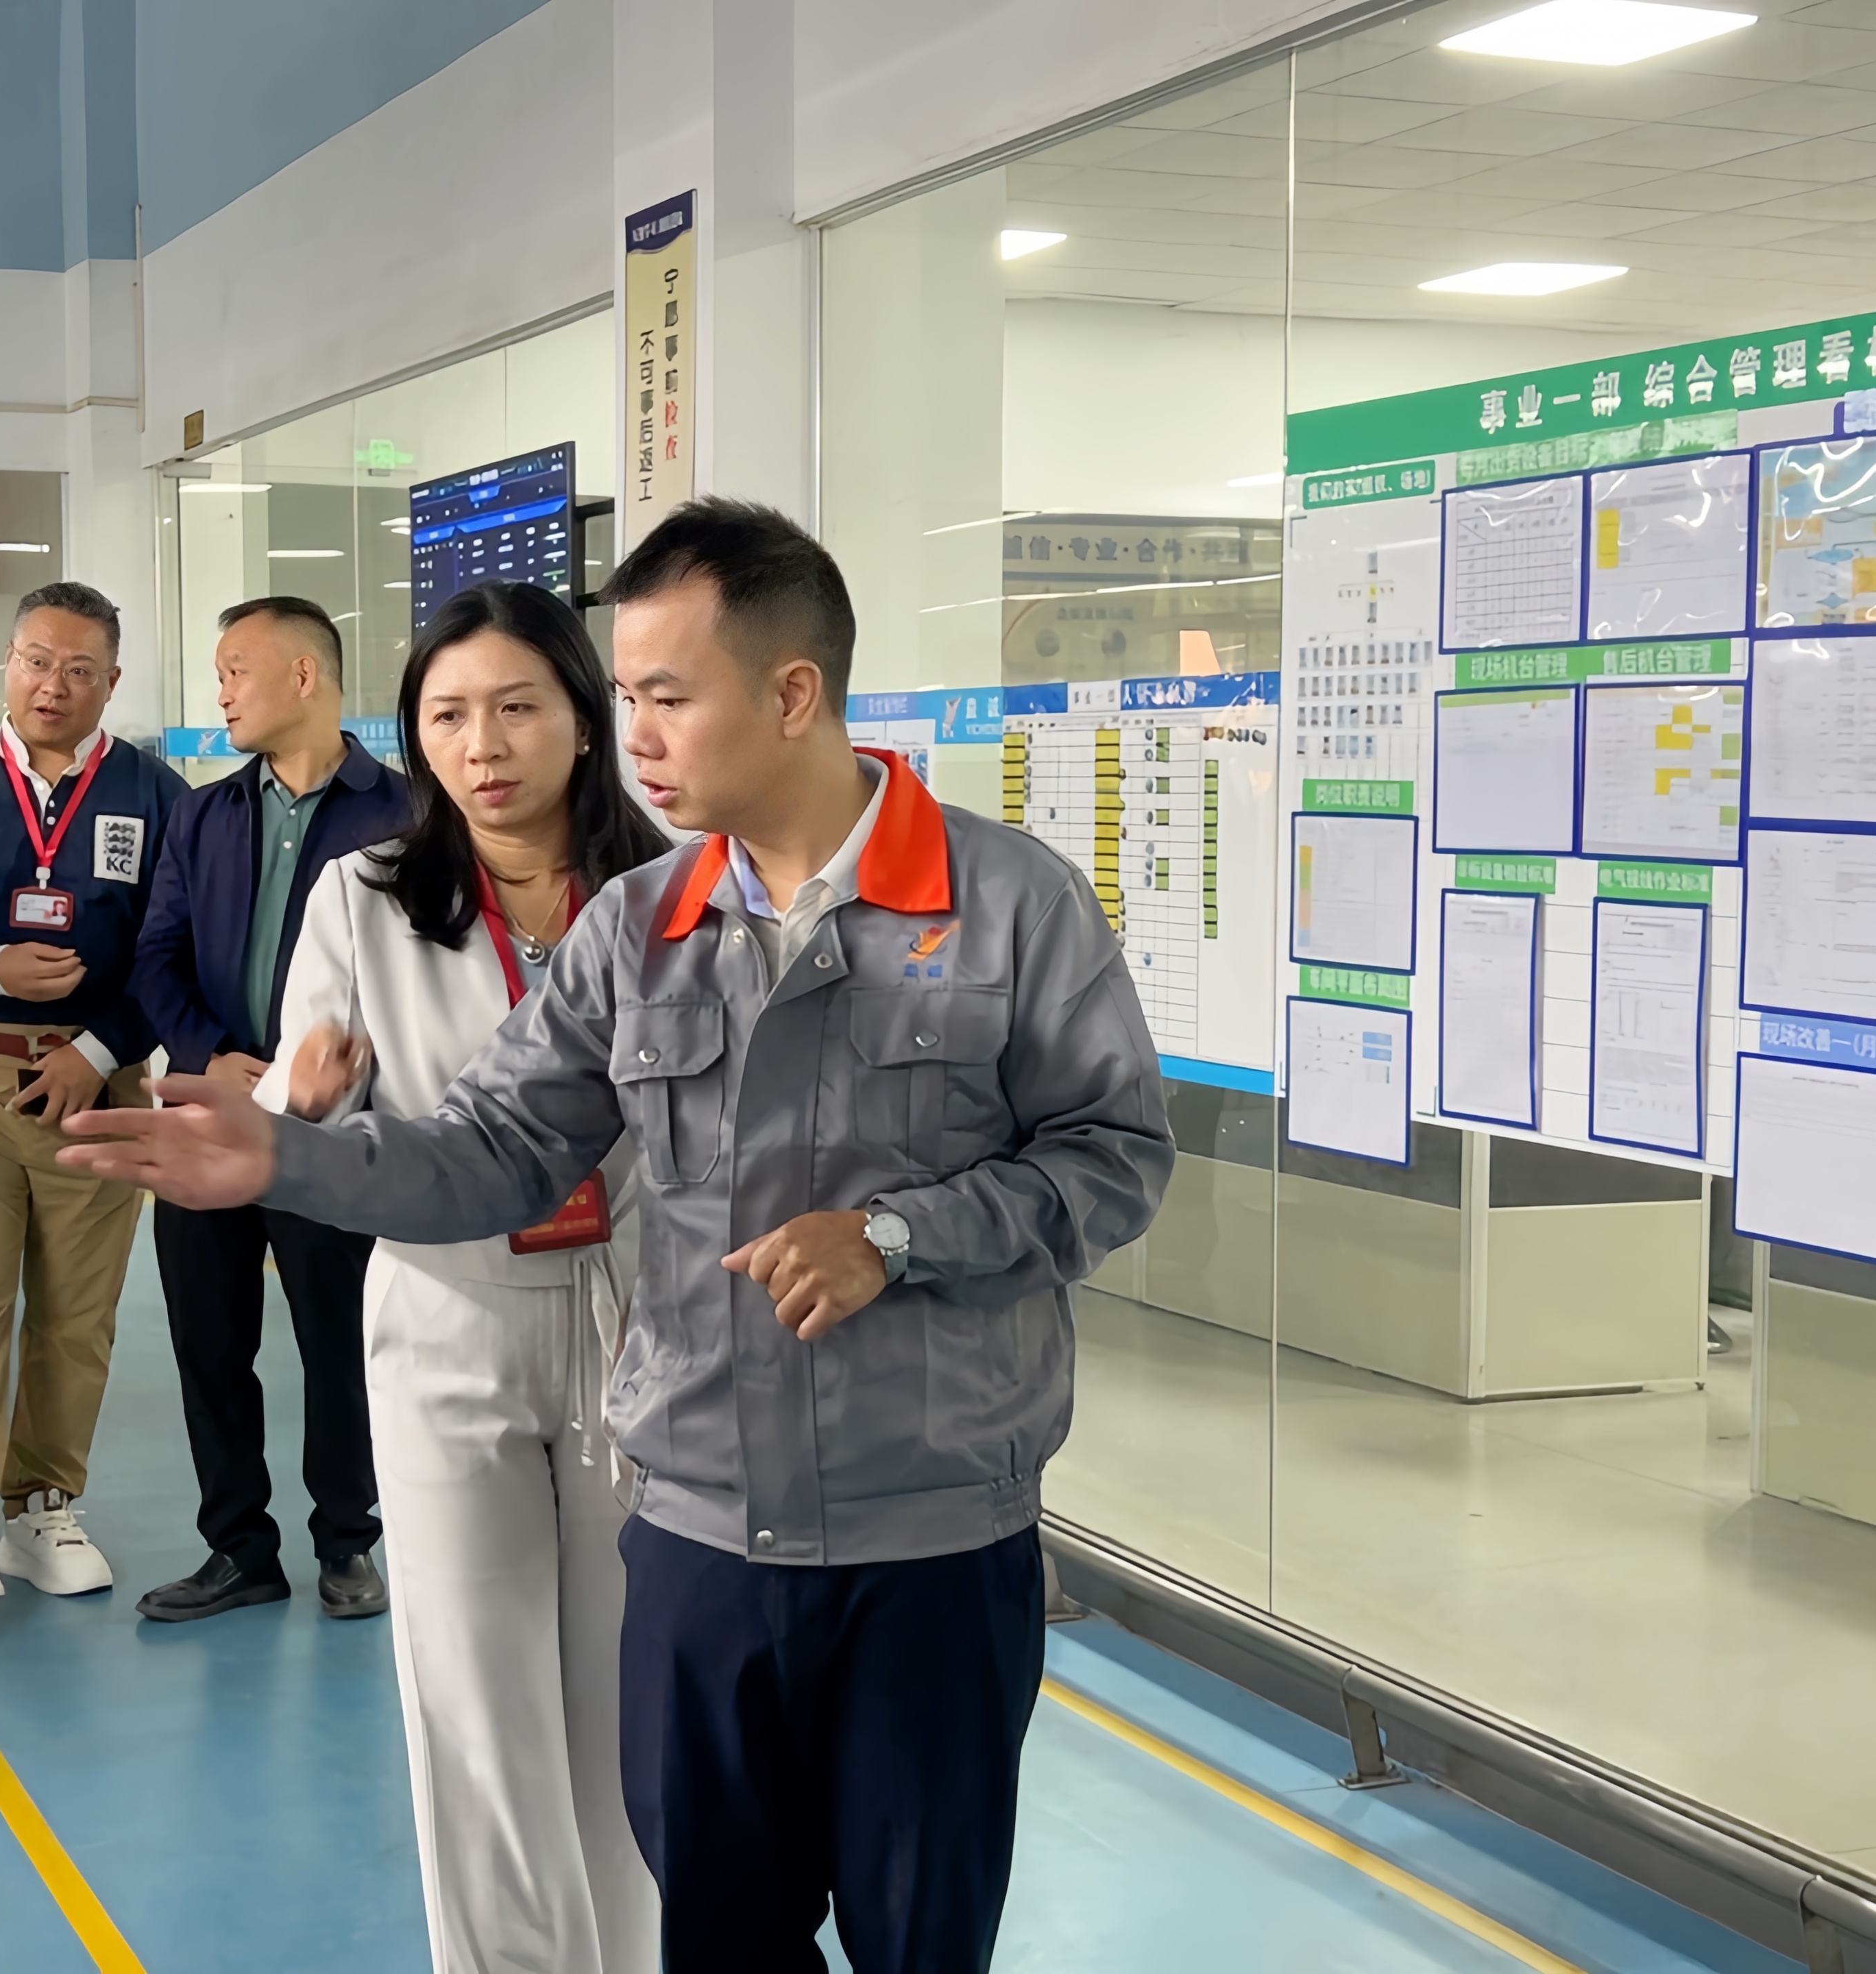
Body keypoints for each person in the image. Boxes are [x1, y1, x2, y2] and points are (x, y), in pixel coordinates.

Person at [65, 500, 1171, 1971]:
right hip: (702, 1528)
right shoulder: (640, 929)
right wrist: (287, 1153)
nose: (631, 733)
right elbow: (495, 1151)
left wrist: (899, 1236)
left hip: (928, 1534)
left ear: (792, 693)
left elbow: (1114, 1158)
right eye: (626, 694)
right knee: (707, 1929)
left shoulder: (1007, 905)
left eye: (664, 695)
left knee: (921, 1933)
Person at [254, 581, 667, 1971]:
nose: (482, 745)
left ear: (583, 719)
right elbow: (298, 1103)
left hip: (639, 1321)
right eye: (446, 716)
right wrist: (307, 1100)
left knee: (627, 1699)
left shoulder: (673, 891)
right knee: (477, 1709)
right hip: (449, 1310)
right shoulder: (368, 898)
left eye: (515, 707)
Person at [0, 579, 188, 1610]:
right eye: (35, 662)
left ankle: (43, 1505)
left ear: (112, 681)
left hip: (98, 1085)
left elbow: (171, 947)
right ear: (8, 664)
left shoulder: (156, 796)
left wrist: (98, 1049)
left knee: (77, 1314)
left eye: (78, 670)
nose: (52, 685)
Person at [127, 596, 409, 1623]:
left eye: (236, 670)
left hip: (332, 1130)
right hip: (207, 1118)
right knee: (210, 1343)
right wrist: (215, 1060)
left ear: (303, 676)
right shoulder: (204, 814)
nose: (222, 693)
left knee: (338, 1341)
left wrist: (313, 1076)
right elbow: (155, 958)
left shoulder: (405, 816)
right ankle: (239, 1549)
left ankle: (349, 1541)